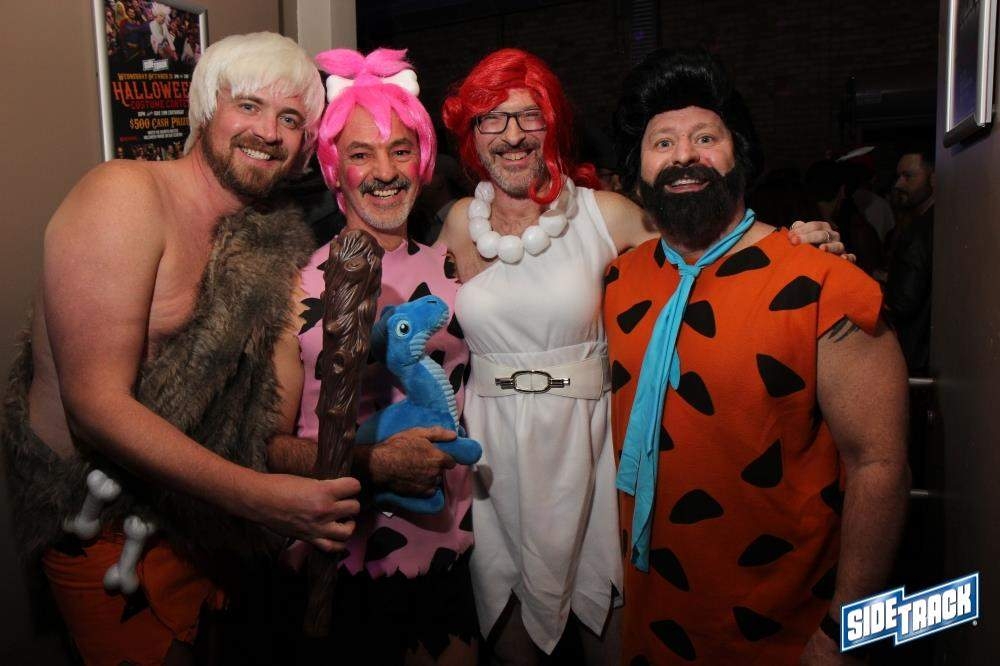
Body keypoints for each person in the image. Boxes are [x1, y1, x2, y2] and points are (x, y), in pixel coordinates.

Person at [438, 48, 845, 664]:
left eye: (529, 115)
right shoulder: (458, 222)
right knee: (508, 630)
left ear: (553, 124)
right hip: (493, 455)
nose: (512, 134)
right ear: (471, 135)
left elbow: (706, 246)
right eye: (491, 118)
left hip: (587, 446)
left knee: (608, 625)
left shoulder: (604, 213)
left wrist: (790, 247)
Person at [0, 32, 360, 664]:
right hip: (102, 526)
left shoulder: (269, 238)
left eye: (290, 119)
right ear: (205, 109)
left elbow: (272, 401)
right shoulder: (125, 194)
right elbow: (95, 405)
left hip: (207, 528)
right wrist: (260, 497)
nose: (268, 132)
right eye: (248, 105)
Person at [606, 47, 910, 664]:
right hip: (651, 622)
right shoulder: (617, 280)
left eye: (705, 137)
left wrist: (846, 634)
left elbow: (880, 465)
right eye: (662, 142)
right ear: (638, 173)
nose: (684, 155)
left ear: (738, 156)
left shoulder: (826, 284)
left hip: (788, 630)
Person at [266, 48, 478, 665]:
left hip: (447, 555)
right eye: (360, 154)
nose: (385, 172)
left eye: (400, 150)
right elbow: (267, 447)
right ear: (335, 171)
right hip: (335, 564)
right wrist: (375, 464)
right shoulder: (293, 289)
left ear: (424, 161)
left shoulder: (457, 274)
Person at [886, 146, 935, 374]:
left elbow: (904, 302)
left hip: (916, 353)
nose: (899, 184)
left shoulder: (922, 231)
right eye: (898, 176)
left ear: (933, 178)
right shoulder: (927, 222)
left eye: (908, 176)